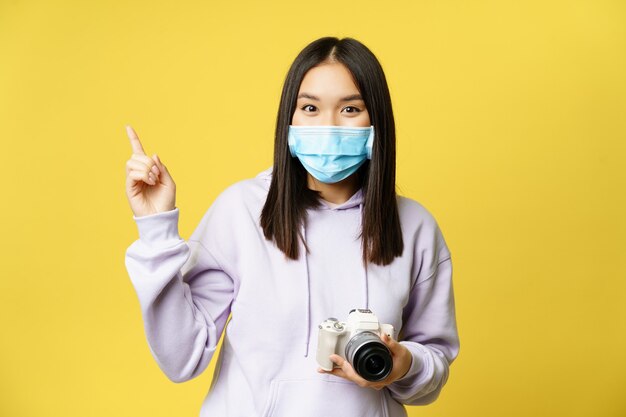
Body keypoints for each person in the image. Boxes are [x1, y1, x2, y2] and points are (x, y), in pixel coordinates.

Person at [124, 36, 460, 417]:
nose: (329, 126)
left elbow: (433, 362)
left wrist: (404, 363)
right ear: (290, 119)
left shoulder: (414, 227)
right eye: (311, 107)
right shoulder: (242, 211)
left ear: (376, 121)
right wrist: (156, 228)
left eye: (350, 108)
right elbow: (180, 357)